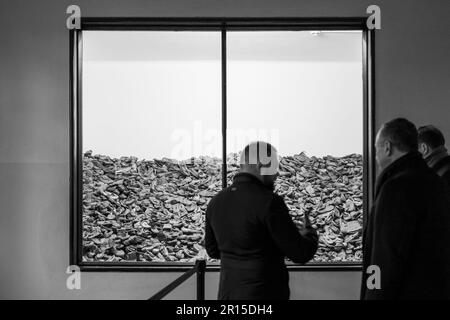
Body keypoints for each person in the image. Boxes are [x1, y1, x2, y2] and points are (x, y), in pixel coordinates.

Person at [205, 141, 318, 300]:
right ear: (261, 164)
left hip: (228, 297)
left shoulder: (216, 202)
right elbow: (300, 253)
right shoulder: (270, 202)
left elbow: (213, 250)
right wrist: (310, 233)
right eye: (274, 167)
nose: (277, 173)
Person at [361, 118, 450, 300]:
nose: (376, 156)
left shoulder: (395, 188)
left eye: (376, 149)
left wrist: (372, 293)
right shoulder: (435, 182)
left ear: (387, 147)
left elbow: (381, 259)